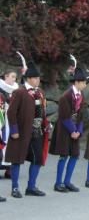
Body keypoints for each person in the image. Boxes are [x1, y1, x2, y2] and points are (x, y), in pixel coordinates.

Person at [6, 61, 49, 198]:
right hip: (21, 132)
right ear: (29, 78)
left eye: (38, 78)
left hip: (37, 132)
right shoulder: (19, 92)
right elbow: (11, 112)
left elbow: (42, 111)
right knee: (17, 159)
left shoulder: (40, 92)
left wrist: (45, 124)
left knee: (37, 159)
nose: (38, 80)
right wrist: (14, 130)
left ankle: (31, 187)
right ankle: (15, 188)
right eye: (36, 78)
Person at [49, 67, 88, 192]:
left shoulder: (81, 96)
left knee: (75, 156)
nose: (85, 85)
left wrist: (79, 131)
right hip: (65, 130)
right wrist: (73, 131)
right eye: (83, 82)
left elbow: (82, 117)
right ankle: (58, 183)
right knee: (64, 156)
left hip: (75, 130)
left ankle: (67, 181)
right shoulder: (65, 96)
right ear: (76, 82)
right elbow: (64, 117)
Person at [0, 69, 18, 181]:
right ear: (5, 76)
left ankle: (9, 170)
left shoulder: (16, 89)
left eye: (15, 77)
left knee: (12, 143)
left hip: (11, 120)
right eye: (12, 76)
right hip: (1, 119)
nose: (13, 79)